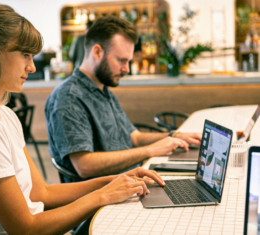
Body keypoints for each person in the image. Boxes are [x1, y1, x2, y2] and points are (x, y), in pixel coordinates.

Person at [0, 3, 165, 235]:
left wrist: (115, 180)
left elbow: (42, 194)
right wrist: (103, 195)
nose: (31, 66)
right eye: (25, 54)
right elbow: (25, 229)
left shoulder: (3, 115)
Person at [45, 16, 202, 182]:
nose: (126, 69)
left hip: (131, 180)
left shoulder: (103, 90)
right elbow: (85, 166)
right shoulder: (68, 98)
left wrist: (174, 136)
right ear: (97, 52)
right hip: (103, 197)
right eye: (121, 60)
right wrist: (149, 151)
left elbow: (134, 137)